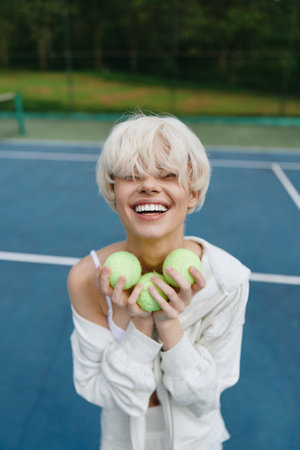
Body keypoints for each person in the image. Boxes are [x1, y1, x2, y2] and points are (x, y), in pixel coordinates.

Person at [67, 113, 250, 450]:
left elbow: (203, 400)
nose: (149, 185)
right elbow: (96, 389)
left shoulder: (228, 279)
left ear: (192, 194)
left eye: (167, 174)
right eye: (131, 175)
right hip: (121, 440)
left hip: (199, 440)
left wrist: (169, 326)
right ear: (113, 190)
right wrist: (139, 324)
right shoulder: (85, 278)